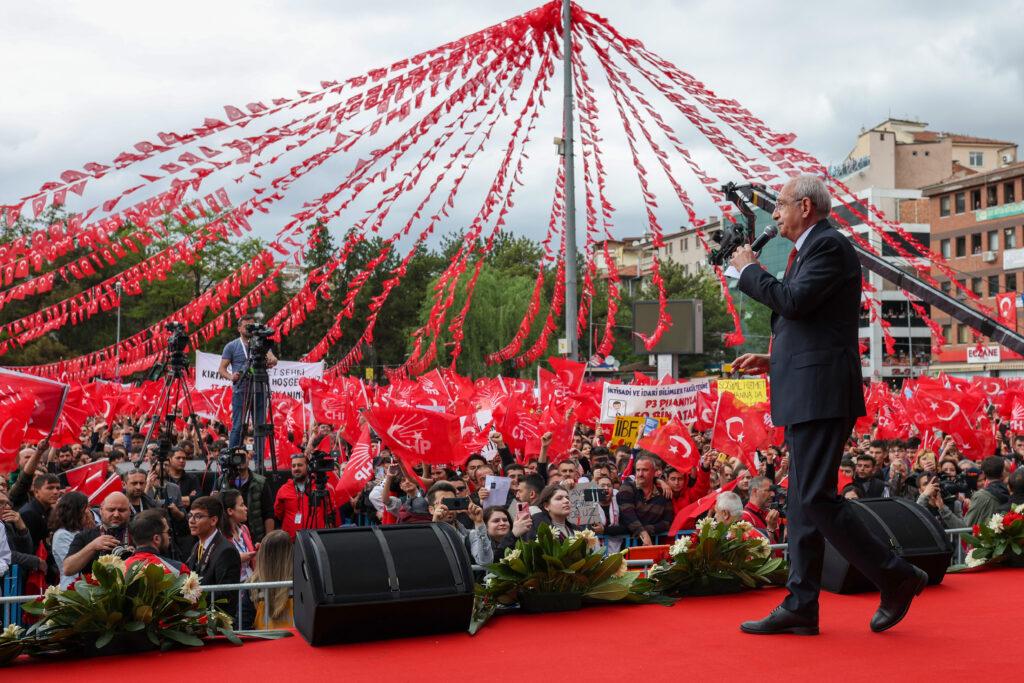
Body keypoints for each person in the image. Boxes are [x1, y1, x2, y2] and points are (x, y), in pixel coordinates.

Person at [732, 174, 926, 636]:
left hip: (821, 392)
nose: (773, 214)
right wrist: (774, 358)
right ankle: (801, 604)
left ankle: (896, 574)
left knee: (815, 497)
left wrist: (748, 270)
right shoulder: (810, 250)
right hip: (806, 388)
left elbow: (794, 302)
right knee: (801, 504)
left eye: (778, 206)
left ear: (805, 206)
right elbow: (808, 320)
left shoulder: (829, 246)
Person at [219, 313, 279, 449]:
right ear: (239, 328)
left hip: (259, 389)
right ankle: (233, 457)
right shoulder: (231, 346)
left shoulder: (261, 343)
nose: (249, 329)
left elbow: (272, 358)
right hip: (241, 389)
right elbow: (221, 369)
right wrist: (231, 376)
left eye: (251, 326)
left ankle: (259, 462)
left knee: (260, 426)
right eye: (246, 326)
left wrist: (272, 360)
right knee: (239, 425)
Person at [186, 496, 242, 622]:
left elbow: (226, 595)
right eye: (190, 515)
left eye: (198, 516)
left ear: (213, 520)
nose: (191, 521)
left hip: (216, 623)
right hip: (198, 618)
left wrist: (193, 597)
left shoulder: (226, 551)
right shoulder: (197, 545)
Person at [63, 493, 133, 578]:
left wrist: (137, 556)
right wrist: (92, 546)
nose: (116, 514)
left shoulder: (140, 533)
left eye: (122, 510)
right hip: (94, 589)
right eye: (111, 510)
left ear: (129, 511)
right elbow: (68, 569)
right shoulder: (84, 536)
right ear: (101, 510)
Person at [274, 454, 336, 539]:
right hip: (291, 541)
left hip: (316, 540)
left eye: (300, 465)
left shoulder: (322, 488)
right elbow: (278, 514)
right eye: (293, 466)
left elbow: (331, 514)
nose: (296, 468)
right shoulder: (284, 489)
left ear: (308, 467)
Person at [616, 454, 674, 546]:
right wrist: (643, 533)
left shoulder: (664, 492)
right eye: (638, 470)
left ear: (654, 472)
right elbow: (628, 515)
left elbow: (667, 522)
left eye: (645, 470)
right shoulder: (627, 487)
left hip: (654, 547)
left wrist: (645, 530)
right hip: (627, 547)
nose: (640, 474)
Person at [219, 450, 274, 543]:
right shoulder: (223, 481)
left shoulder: (261, 482)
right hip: (230, 538)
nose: (240, 459)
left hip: (256, 538)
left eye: (243, 456)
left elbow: (269, 513)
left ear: (249, 457)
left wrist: (268, 541)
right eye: (237, 456)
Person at [248, 530, 294, 629]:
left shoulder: (251, 585)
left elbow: (244, 625)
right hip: (296, 642)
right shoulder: (302, 583)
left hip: (263, 643)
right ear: (290, 552)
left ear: (262, 554)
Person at [50, 491, 94, 588]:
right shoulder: (62, 535)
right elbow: (72, 566)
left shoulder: (80, 531)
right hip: (72, 587)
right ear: (76, 510)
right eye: (86, 507)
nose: (89, 511)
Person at [125, 509, 186, 575]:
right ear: (156, 539)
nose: (169, 537)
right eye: (168, 532)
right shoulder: (178, 570)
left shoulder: (121, 569)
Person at [964, 456, 1011, 528]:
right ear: (1002, 472)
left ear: (983, 473)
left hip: (986, 537)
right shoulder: (1012, 491)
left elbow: (967, 523)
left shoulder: (981, 495)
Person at [221, 489, 257, 581]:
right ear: (230, 511)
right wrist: (238, 558)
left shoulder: (244, 529)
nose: (246, 508)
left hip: (250, 583)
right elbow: (220, 562)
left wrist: (256, 550)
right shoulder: (220, 535)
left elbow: (251, 558)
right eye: (242, 505)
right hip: (233, 585)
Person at [19, 473, 60, 551]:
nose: (55, 492)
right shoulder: (29, 513)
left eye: (58, 488)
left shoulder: (51, 510)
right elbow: (28, 547)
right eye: (50, 488)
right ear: (36, 492)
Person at [743, 476, 782, 543]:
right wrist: (770, 529)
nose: (773, 494)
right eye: (768, 491)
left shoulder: (771, 513)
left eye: (773, 491)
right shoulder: (745, 517)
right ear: (755, 491)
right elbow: (758, 549)